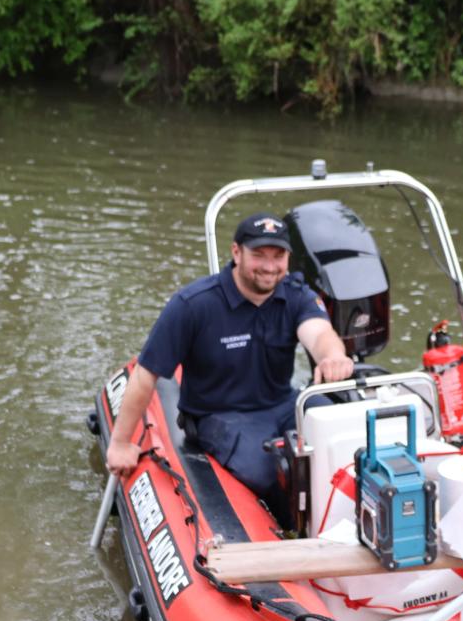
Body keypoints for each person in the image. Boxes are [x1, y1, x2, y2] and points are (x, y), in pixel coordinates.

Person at [105, 212, 354, 500]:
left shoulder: (296, 295)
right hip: (217, 414)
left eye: (278, 256)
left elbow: (320, 334)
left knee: (345, 437)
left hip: (281, 403)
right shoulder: (193, 305)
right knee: (271, 474)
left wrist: (333, 356)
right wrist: (121, 443)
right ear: (236, 252)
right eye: (259, 255)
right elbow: (145, 374)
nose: (270, 267)